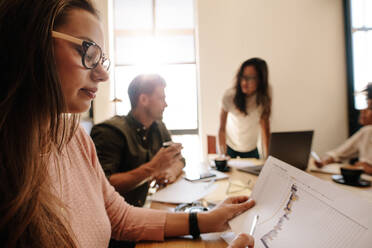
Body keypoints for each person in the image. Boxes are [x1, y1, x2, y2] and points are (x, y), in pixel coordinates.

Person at [0, 0, 255, 247]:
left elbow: (119, 216)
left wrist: (208, 219)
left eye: (102, 59)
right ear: (32, 42)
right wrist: (152, 168)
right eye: (88, 52)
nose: (103, 74)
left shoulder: (75, 137)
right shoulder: (108, 132)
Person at [91, 74, 184, 207]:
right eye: (161, 98)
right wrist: (152, 168)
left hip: (141, 208)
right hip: (114, 219)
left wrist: (170, 172)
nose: (166, 104)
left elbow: (180, 160)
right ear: (144, 99)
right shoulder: (109, 132)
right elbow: (102, 184)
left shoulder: (158, 127)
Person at [218, 58, 272, 159]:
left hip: (251, 149)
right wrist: (223, 155)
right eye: (243, 77)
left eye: (250, 78)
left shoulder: (264, 97)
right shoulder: (229, 96)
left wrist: (268, 158)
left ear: (261, 79)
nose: (244, 82)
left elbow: (265, 128)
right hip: (230, 147)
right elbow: (221, 129)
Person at [315, 83, 372, 174]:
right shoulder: (367, 132)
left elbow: (366, 168)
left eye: (370, 108)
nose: (363, 111)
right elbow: (339, 153)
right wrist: (323, 161)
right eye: (367, 106)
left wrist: (368, 169)